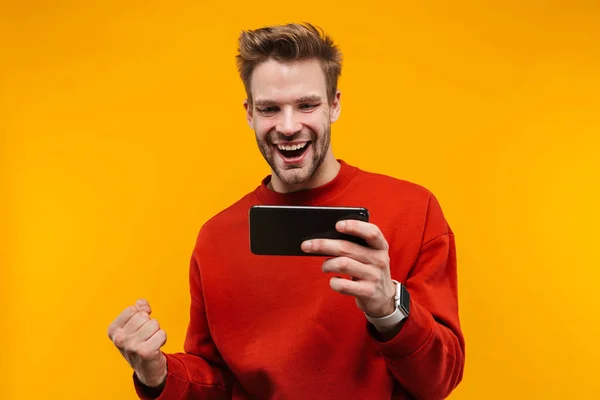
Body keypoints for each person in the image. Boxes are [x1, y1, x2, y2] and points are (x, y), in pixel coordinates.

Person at [107, 22, 465, 399]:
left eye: (307, 105)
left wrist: (389, 307)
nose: (289, 126)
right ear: (249, 113)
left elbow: (438, 381)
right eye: (270, 109)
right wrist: (158, 373)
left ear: (335, 104)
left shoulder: (414, 209)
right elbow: (218, 383)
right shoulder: (216, 238)